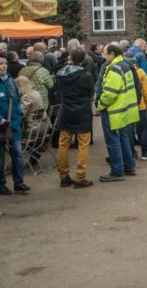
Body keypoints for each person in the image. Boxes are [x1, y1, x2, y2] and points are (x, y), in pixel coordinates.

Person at [0, 53, 31, 195]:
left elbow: (15, 99)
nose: (3, 66)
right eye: (0, 63)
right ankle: (0, 185)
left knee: (18, 154)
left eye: (5, 63)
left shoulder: (10, 80)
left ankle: (19, 183)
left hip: (14, 124)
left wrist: (19, 113)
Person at [97, 43, 139, 182]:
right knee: (122, 137)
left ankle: (117, 171)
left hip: (113, 110)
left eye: (105, 53)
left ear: (112, 54)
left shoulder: (114, 68)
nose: (103, 55)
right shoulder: (125, 65)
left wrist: (99, 105)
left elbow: (109, 93)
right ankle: (129, 166)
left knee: (112, 140)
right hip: (123, 108)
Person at [56, 48, 95, 188]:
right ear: (83, 59)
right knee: (83, 145)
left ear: (70, 57)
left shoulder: (60, 73)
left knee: (63, 144)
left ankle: (64, 176)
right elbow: (90, 92)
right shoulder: (86, 75)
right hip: (82, 111)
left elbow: (58, 91)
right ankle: (80, 177)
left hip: (66, 110)